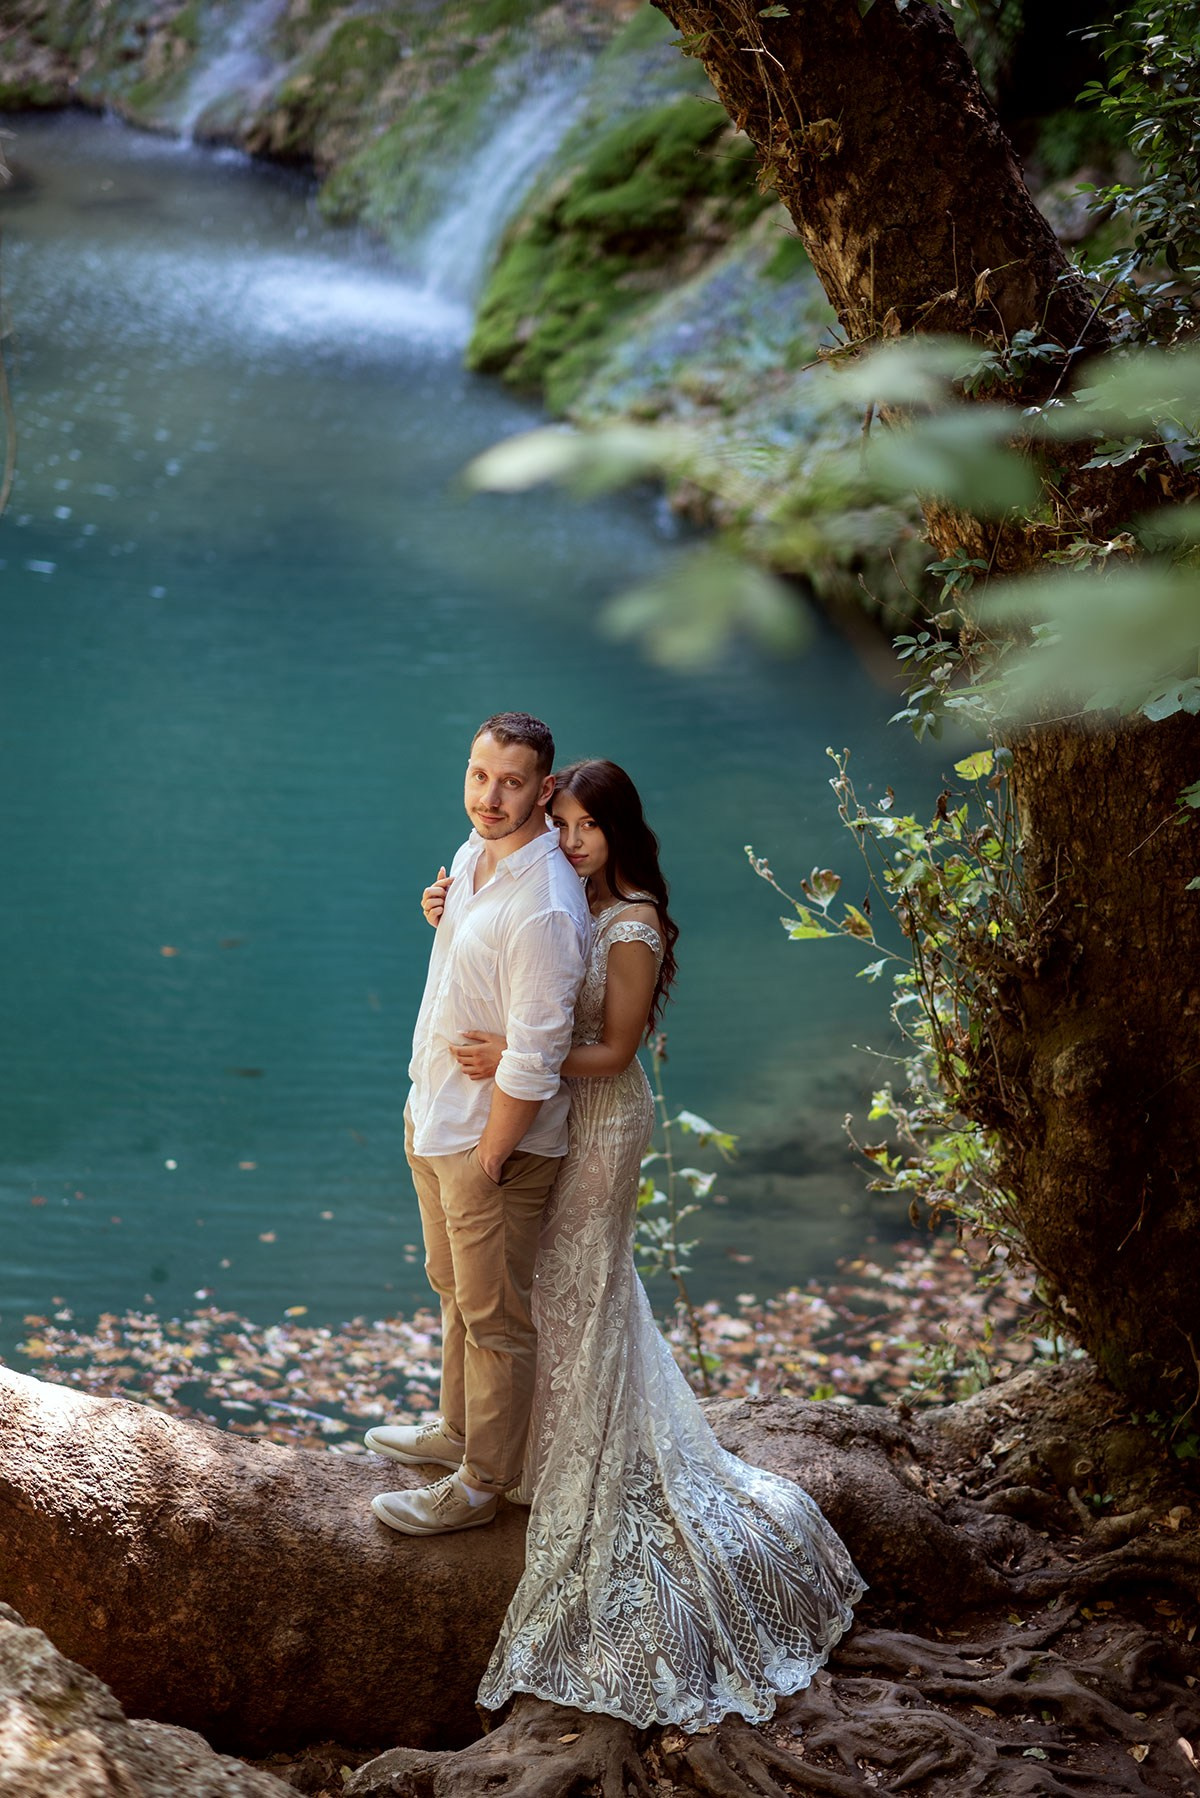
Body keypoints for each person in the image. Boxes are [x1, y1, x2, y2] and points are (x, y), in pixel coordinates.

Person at [450, 759, 866, 1731]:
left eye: (587, 826)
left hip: (603, 1118)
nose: (570, 841)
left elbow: (617, 1051)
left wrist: (518, 1057)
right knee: (552, 1280)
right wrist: (452, 904)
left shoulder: (631, 920)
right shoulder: (568, 897)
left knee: (582, 1278)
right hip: (561, 1112)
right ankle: (541, 1445)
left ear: (620, 832)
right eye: (562, 822)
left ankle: (590, 1465)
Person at [365, 712, 590, 1537]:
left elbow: (536, 1053)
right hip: (436, 1112)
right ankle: (457, 1430)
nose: (489, 797)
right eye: (479, 775)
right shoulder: (472, 856)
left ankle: (483, 1483)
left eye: (511, 782)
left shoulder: (545, 905)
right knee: (453, 1288)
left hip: (488, 1141)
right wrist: (442, 909)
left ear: (544, 787)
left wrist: (493, 1156)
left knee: (496, 1318)